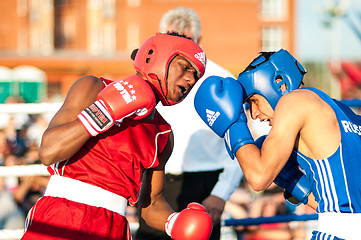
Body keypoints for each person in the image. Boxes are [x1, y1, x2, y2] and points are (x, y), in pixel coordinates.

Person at [21, 32, 213, 240]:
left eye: (195, 75)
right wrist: (105, 112)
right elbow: (48, 152)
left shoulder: (162, 134)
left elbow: (151, 206)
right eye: (185, 67)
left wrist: (174, 222)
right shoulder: (93, 88)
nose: (191, 79)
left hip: (113, 227)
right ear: (156, 56)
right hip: (62, 214)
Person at [194, 49, 361, 239]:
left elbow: (258, 178)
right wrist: (294, 182)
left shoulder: (294, 101)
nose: (254, 114)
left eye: (254, 100)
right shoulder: (341, 111)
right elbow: (340, 204)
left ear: (280, 83)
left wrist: (233, 126)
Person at [136, 7, 243, 240]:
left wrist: (220, 194)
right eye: (173, 42)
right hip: (155, 178)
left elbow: (240, 143)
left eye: (188, 42)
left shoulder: (223, 81)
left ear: (200, 41)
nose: (182, 53)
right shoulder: (147, 75)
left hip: (203, 185)